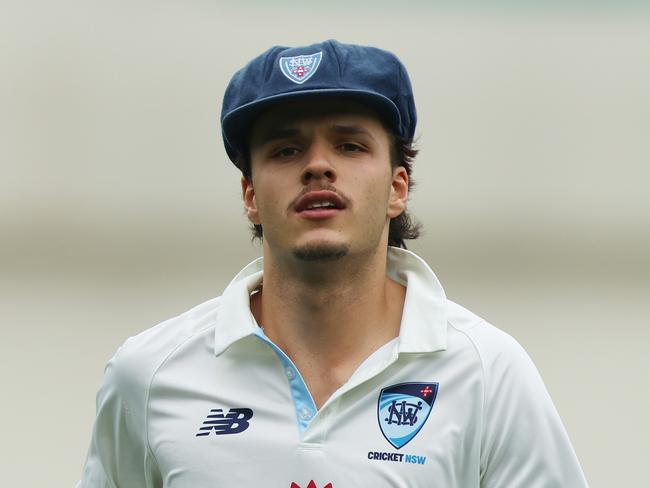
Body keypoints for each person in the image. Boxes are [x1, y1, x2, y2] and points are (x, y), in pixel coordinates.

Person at [77, 40, 588, 487]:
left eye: (349, 145)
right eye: (286, 149)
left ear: (396, 188)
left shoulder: (487, 372)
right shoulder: (147, 374)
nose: (318, 165)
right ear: (250, 195)